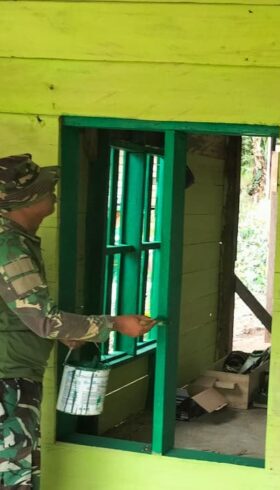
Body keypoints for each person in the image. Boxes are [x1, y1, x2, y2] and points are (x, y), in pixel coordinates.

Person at [0, 153, 157, 489]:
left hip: (11, 372)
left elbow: (21, 312)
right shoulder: (9, 247)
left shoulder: (13, 240)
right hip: (7, 381)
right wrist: (115, 324)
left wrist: (61, 332)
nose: (53, 191)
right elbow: (43, 319)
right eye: (46, 188)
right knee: (14, 477)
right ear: (25, 199)